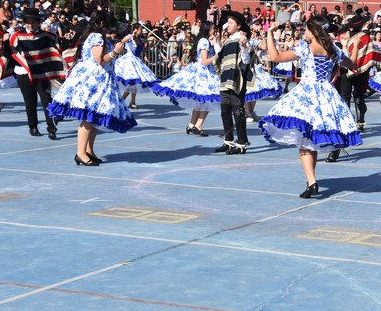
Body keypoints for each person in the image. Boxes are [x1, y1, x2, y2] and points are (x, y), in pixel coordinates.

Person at [259, 16, 361, 197]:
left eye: (306, 29)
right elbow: (353, 65)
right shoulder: (333, 50)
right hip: (326, 95)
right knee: (310, 142)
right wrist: (354, 47)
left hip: (307, 94)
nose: (304, 32)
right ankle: (311, 181)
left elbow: (275, 57)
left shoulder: (305, 49)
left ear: (313, 31)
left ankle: (312, 182)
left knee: (304, 141)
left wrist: (269, 33)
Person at [48, 14, 137, 166]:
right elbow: (100, 60)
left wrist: (120, 44)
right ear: (102, 23)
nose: (112, 28)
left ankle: (88, 150)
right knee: (88, 117)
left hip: (101, 81)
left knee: (94, 118)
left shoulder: (97, 36)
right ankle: (80, 152)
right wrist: (115, 52)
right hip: (95, 81)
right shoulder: (96, 37)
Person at [151, 21, 220, 136]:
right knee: (208, 99)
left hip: (203, 72)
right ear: (208, 29)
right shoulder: (204, 41)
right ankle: (198, 126)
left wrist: (216, 43)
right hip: (204, 74)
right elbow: (205, 61)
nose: (215, 30)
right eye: (213, 28)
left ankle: (192, 125)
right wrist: (218, 55)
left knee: (200, 101)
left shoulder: (206, 41)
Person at [9, 7, 66, 139]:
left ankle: (52, 128)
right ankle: (33, 126)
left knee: (47, 100)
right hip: (24, 73)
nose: (30, 25)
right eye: (27, 22)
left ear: (38, 22)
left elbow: (56, 49)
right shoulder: (16, 36)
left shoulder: (47, 36)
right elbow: (10, 53)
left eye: (33, 22)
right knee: (30, 102)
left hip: (42, 73)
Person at [214, 11, 252, 155]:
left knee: (237, 111)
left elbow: (246, 61)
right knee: (225, 110)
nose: (227, 25)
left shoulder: (241, 40)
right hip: (225, 79)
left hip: (236, 80)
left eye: (230, 23)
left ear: (238, 26)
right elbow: (221, 59)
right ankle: (229, 141)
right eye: (227, 22)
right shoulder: (228, 41)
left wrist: (243, 47)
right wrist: (216, 43)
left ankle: (242, 143)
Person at [115, 23, 159, 109]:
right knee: (132, 82)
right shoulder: (130, 36)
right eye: (140, 29)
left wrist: (150, 46)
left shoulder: (139, 38)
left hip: (136, 60)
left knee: (135, 82)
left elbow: (141, 50)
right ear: (135, 29)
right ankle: (123, 101)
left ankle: (131, 101)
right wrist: (132, 34)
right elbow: (122, 41)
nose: (141, 31)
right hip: (130, 61)